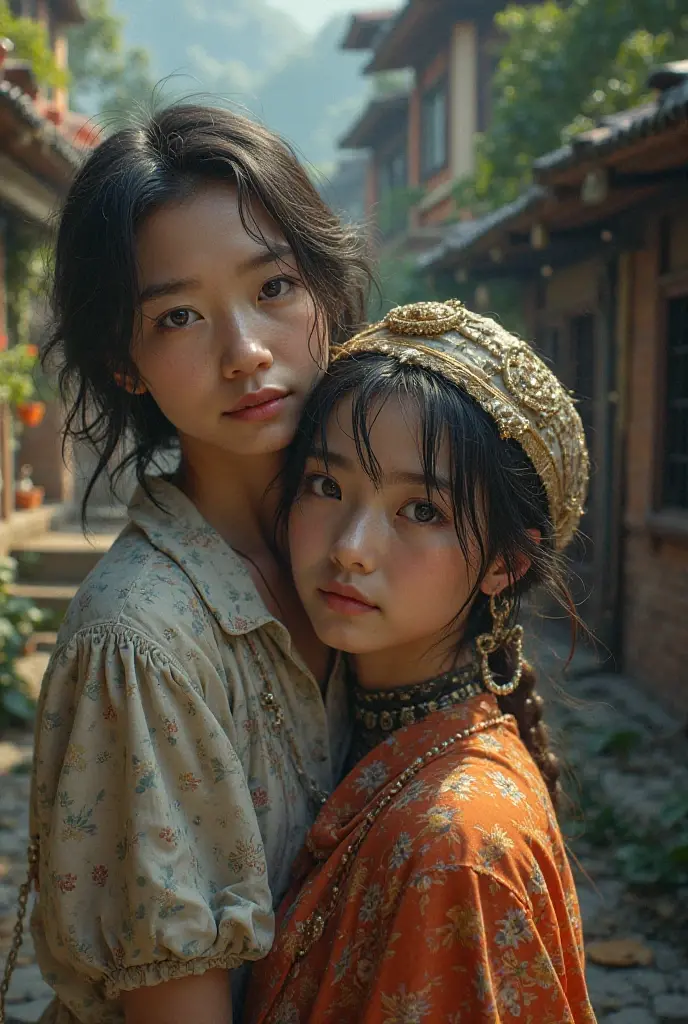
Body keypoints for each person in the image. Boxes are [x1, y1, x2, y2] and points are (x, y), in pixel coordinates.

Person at [0, 105, 372, 1024]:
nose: (244, 351)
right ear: (127, 362)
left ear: (323, 289)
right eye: (178, 314)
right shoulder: (143, 647)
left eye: (274, 286)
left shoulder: (362, 559)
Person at [246, 299, 597, 1023]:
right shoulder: (364, 735)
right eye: (327, 485)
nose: (351, 545)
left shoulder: (453, 846)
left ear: (505, 561)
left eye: (423, 511)